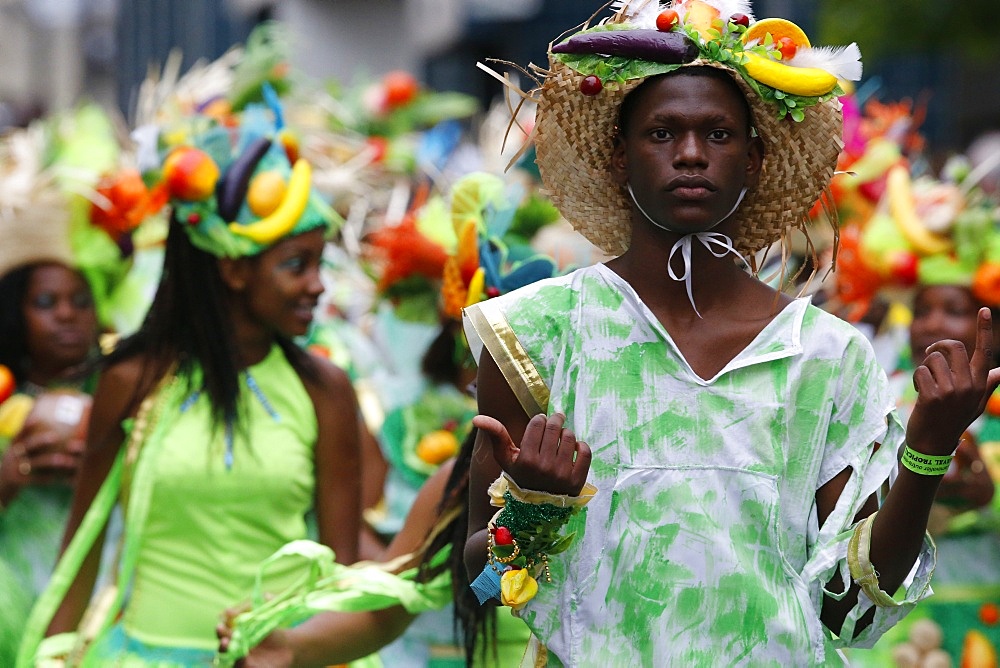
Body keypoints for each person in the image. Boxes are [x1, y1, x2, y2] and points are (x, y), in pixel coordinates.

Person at [460, 1, 998, 664]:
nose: (691, 154)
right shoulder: (535, 334)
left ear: (754, 160)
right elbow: (484, 582)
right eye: (662, 133)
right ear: (619, 157)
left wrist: (925, 451)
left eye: (718, 134)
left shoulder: (827, 356)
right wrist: (536, 507)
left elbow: (850, 609)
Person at [17, 109, 363, 666]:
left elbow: (342, 580)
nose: (317, 285)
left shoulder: (327, 390)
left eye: (320, 264)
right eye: (297, 265)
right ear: (233, 269)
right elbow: (80, 554)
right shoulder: (132, 379)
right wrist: (54, 654)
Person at [0, 262, 98, 665]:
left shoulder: (128, 395)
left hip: (100, 595)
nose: (66, 314)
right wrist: (6, 480)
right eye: (45, 302)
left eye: (80, 301)